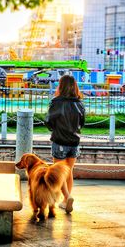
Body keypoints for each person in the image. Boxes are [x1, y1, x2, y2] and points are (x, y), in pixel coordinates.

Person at [45, 75, 85, 214]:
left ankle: (67, 197)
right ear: (74, 86)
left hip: (60, 141)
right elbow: (82, 123)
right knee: (69, 172)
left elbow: (49, 123)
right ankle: (64, 201)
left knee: (59, 173)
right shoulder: (79, 103)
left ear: (60, 86)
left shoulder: (56, 102)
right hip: (74, 142)